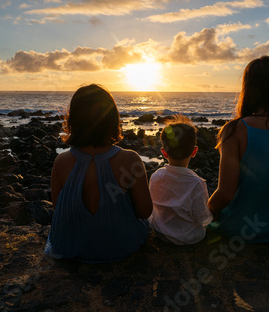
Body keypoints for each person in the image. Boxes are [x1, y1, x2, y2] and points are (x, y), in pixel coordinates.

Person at [44, 84, 152, 263]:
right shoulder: (130, 160)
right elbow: (145, 212)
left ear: (73, 121)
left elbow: (59, 210)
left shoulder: (61, 162)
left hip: (70, 247)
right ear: (112, 119)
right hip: (121, 245)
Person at [207, 56, 269, 243]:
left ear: (248, 87)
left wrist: (205, 211)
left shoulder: (235, 129)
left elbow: (226, 193)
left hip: (240, 229)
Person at [149, 115, 213, 245]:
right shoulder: (197, 183)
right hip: (189, 237)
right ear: (194, 151)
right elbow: (203, 219)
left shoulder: (156, 176)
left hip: (161, 233)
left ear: (164, 153)